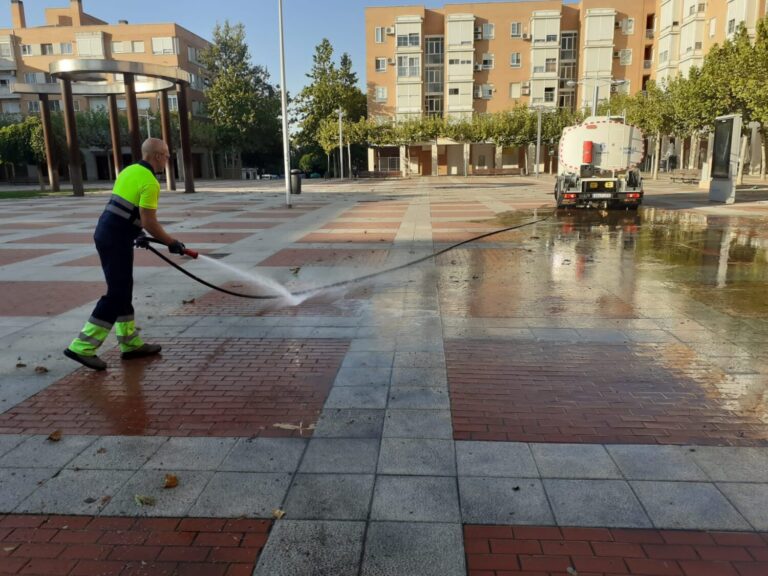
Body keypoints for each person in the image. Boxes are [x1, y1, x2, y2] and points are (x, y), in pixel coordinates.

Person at [64, 138, 187, 371]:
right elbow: (150, 221)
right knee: (117, 293)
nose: (168, 160)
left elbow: (126, 209)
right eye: (167, 155)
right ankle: (82, 346)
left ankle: (130, 344)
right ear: (158, 155)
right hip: (115, 239)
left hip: (109, 233)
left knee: (123, 289)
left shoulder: (129, 171)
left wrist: (136, 231)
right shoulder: (151, 182)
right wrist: (171, 242)